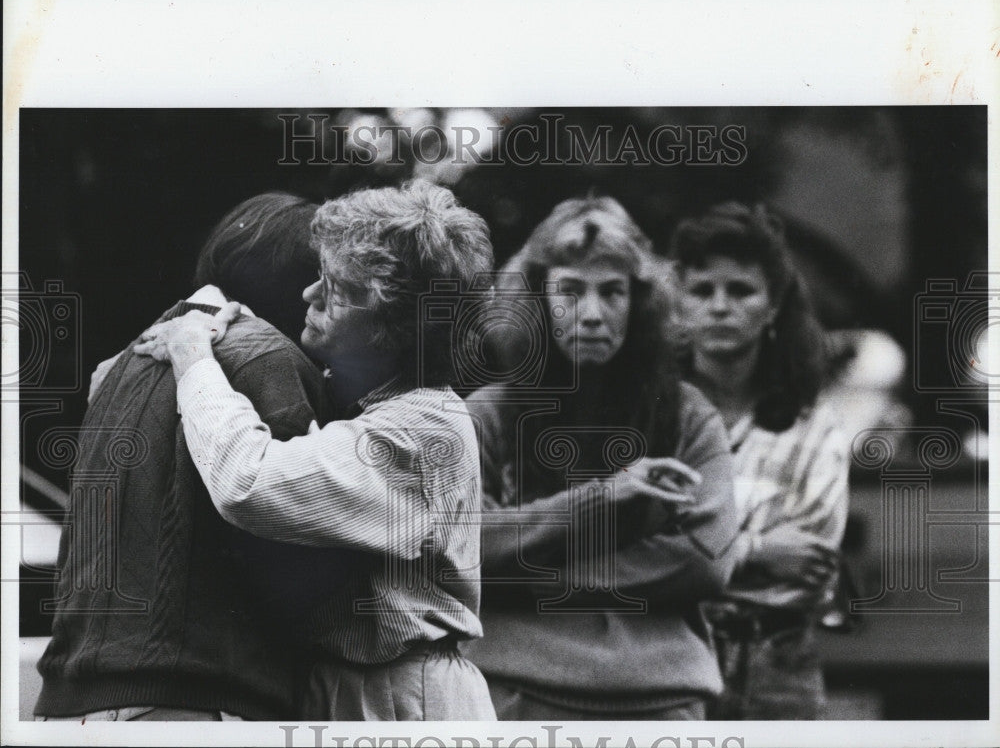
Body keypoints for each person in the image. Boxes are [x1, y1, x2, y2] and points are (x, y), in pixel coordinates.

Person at [132, 178, 497, 721]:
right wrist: (242, 331)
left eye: (338, 289)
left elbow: (248, 483)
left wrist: (195, 357)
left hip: (403, 698)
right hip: (355, 688)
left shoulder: (423, 430)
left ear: (394, 328)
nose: (309, 294)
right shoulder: (376, 404)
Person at [35, 192, 358, 721]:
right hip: (188, 698)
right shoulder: (267, 355)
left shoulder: (123, 362)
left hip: (76, 701)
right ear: (303, 285)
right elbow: (293, 550)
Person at [462, 195, 739, 721]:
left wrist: (528, 568)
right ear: (536, 298)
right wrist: (604, 498)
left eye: (612, 292)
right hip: (517, 694)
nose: (592, 314)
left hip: (663, 699)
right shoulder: (488, 415)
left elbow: (706, 559)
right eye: (570, 290)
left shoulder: (685, 414)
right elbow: (460, 545)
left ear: (640, 303)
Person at [670, 201, 849, 720]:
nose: (720, 306)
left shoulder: (813, 425)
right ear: (679, 304)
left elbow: (808, 569)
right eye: (702, 291)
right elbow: (637, 554)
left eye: (741, 290)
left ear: (772, 306)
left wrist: (696, 552)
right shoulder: (655, 418)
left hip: (779, 670)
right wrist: (757, 547)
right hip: (669, 662)